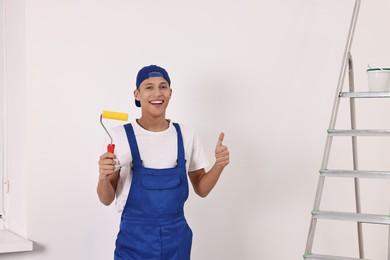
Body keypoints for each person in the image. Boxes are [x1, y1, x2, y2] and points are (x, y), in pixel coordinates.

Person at [97, 65, 230, 260]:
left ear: (170, 93)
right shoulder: (119, 137)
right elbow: (106, 198)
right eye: (148, 87)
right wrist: (102, 176)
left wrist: (219, 165)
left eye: (163, 86)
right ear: (137, 94)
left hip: (176, 242)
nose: (157, 93)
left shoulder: (185, 134)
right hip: (134, 243)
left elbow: (201, 188)